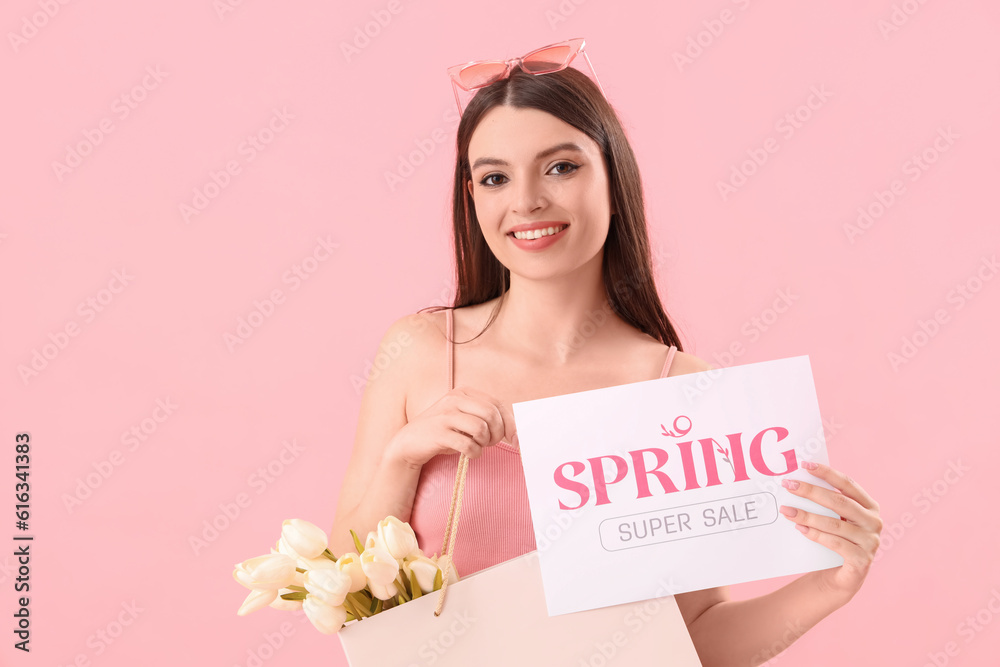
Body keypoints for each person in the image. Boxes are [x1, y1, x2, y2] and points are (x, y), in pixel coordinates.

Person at [331, 40, 883, 666]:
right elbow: (336, 594)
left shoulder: (686, 394)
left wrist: (830, 585)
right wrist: (404, 458)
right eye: (495, 177)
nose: (527, 201)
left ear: (614, 180)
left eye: (561, 167)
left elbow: (696, 641)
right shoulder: (418, 351)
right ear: (473, 200)